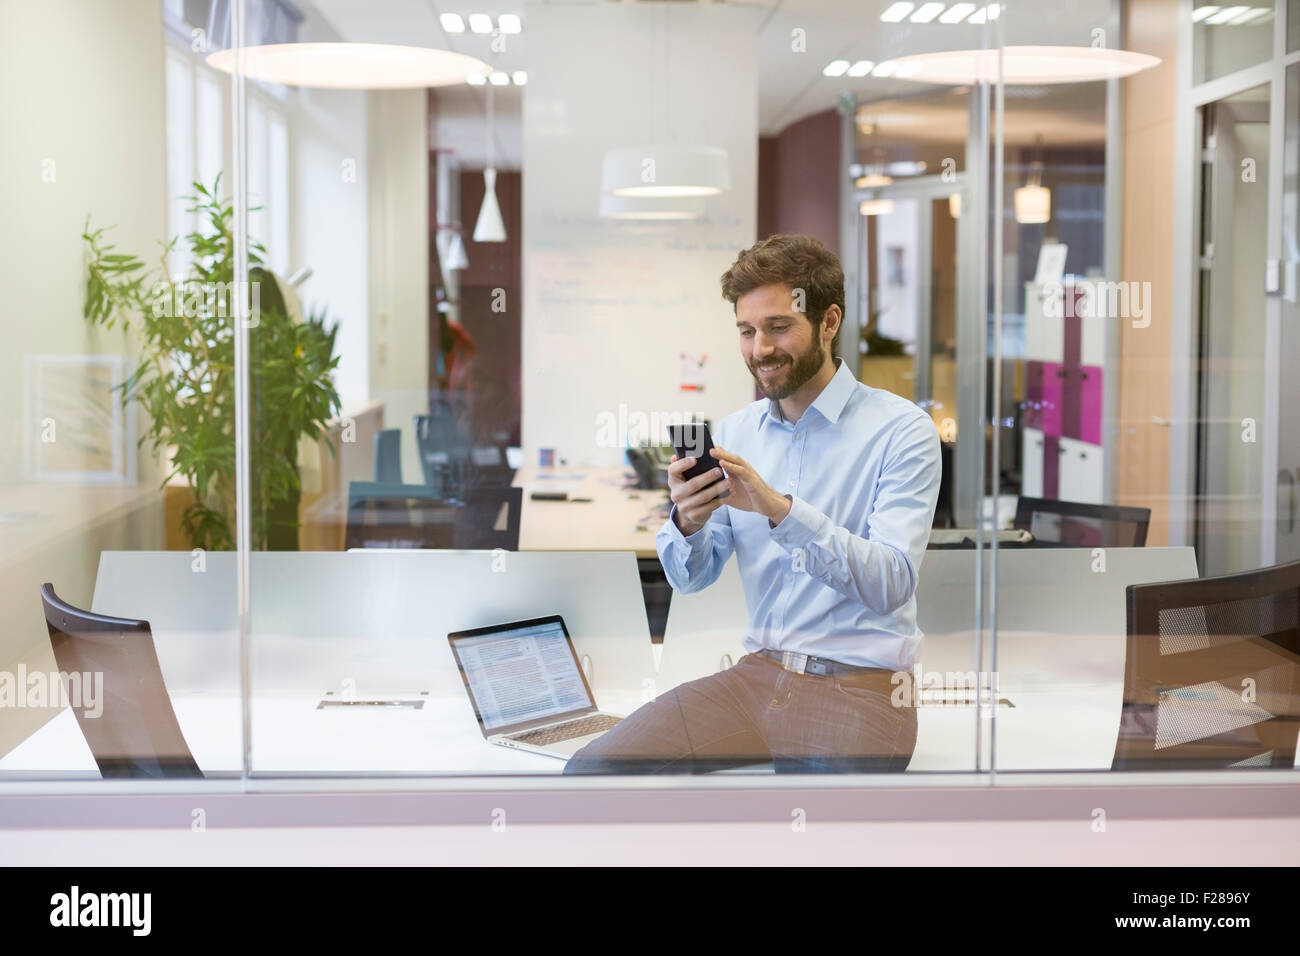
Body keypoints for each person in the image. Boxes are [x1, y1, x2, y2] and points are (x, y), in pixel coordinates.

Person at [564, 234, 942, 774]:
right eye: (747, 331)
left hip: (864, 689)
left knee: (806, 836)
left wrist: (778, 509)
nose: (760, 348)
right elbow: (690, 580)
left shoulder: (902, 431)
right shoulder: (737, 432)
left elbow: (891, 583)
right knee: (592, 773)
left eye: (779, 327)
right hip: (757, 677)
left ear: (829, 323)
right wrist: (688, 522)